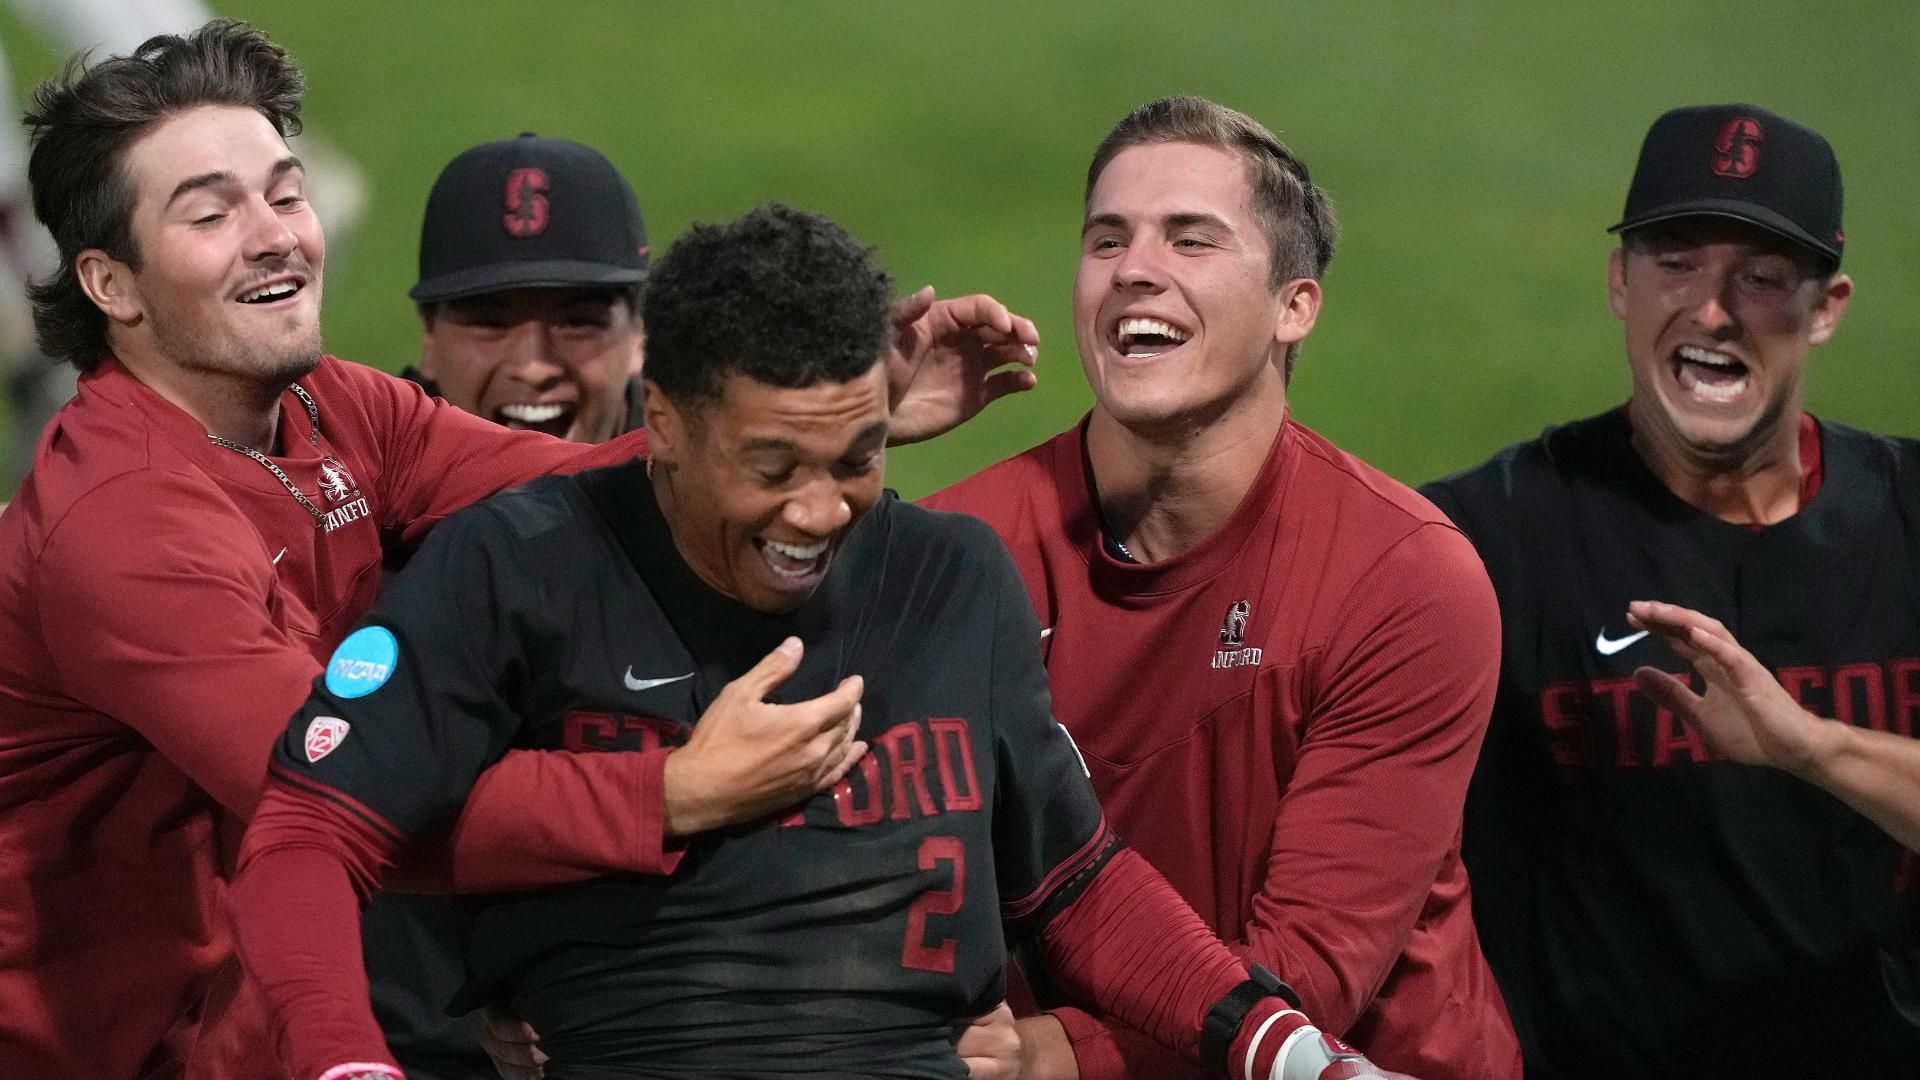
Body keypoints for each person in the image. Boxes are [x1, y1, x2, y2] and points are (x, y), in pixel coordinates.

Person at [0, 21, 1040, 1079]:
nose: (276, 236)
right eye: (212, 213)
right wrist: (669, 793)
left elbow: (571, 475)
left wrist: (802, 431)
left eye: (284, 191)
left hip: (236, 1030)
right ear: (111, 285)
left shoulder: (326, 409)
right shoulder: (123, 528)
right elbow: (335, 799)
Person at [230, 203, 1410, 1080]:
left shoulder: (952, 579)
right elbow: (304, 832)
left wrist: (1286, 1048)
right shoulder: (513, 566)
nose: (820, 512)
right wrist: (349, 1065)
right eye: (772, 468)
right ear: (664, 426)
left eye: (857, 458)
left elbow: (1075, 881)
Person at [922, 96, 1519, 1080]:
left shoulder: (1403, 578)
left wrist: (1047, 1057)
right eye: (1106, 239)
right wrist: (861, 427)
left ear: (1296, 304)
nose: (1133, 270)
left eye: (1191, 239)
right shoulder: (959, 550)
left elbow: (1306, 981)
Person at [1420, 104, 1920, 1076]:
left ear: (1827, 307)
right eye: (1676, 263)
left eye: (1763, 278)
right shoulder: (1483, 538)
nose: (1712, 310)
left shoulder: (1910, 518)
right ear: (1620, 281)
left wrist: (1811, 748)